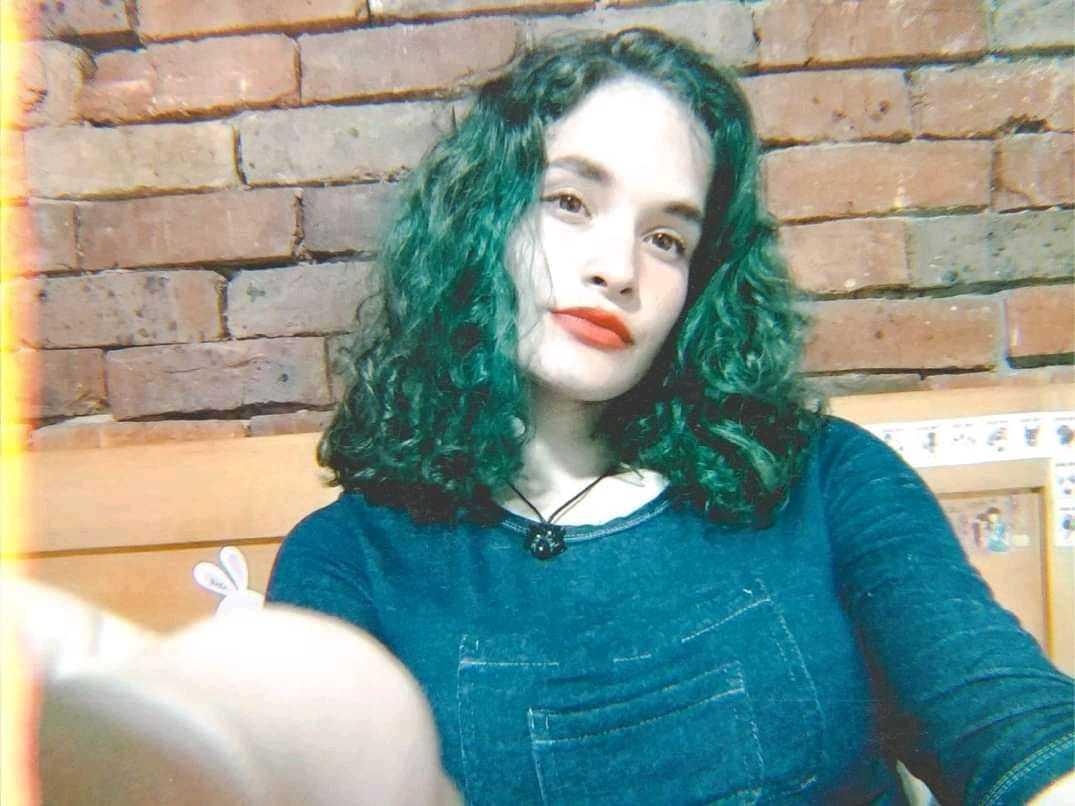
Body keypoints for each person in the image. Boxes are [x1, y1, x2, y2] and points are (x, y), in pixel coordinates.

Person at [266, 28, 1074, 804]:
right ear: (482, 219)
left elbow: (1011, 727)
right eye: (569, 201)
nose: (617, 269)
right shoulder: (348, 562)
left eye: (665, 239)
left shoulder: (824, 480)